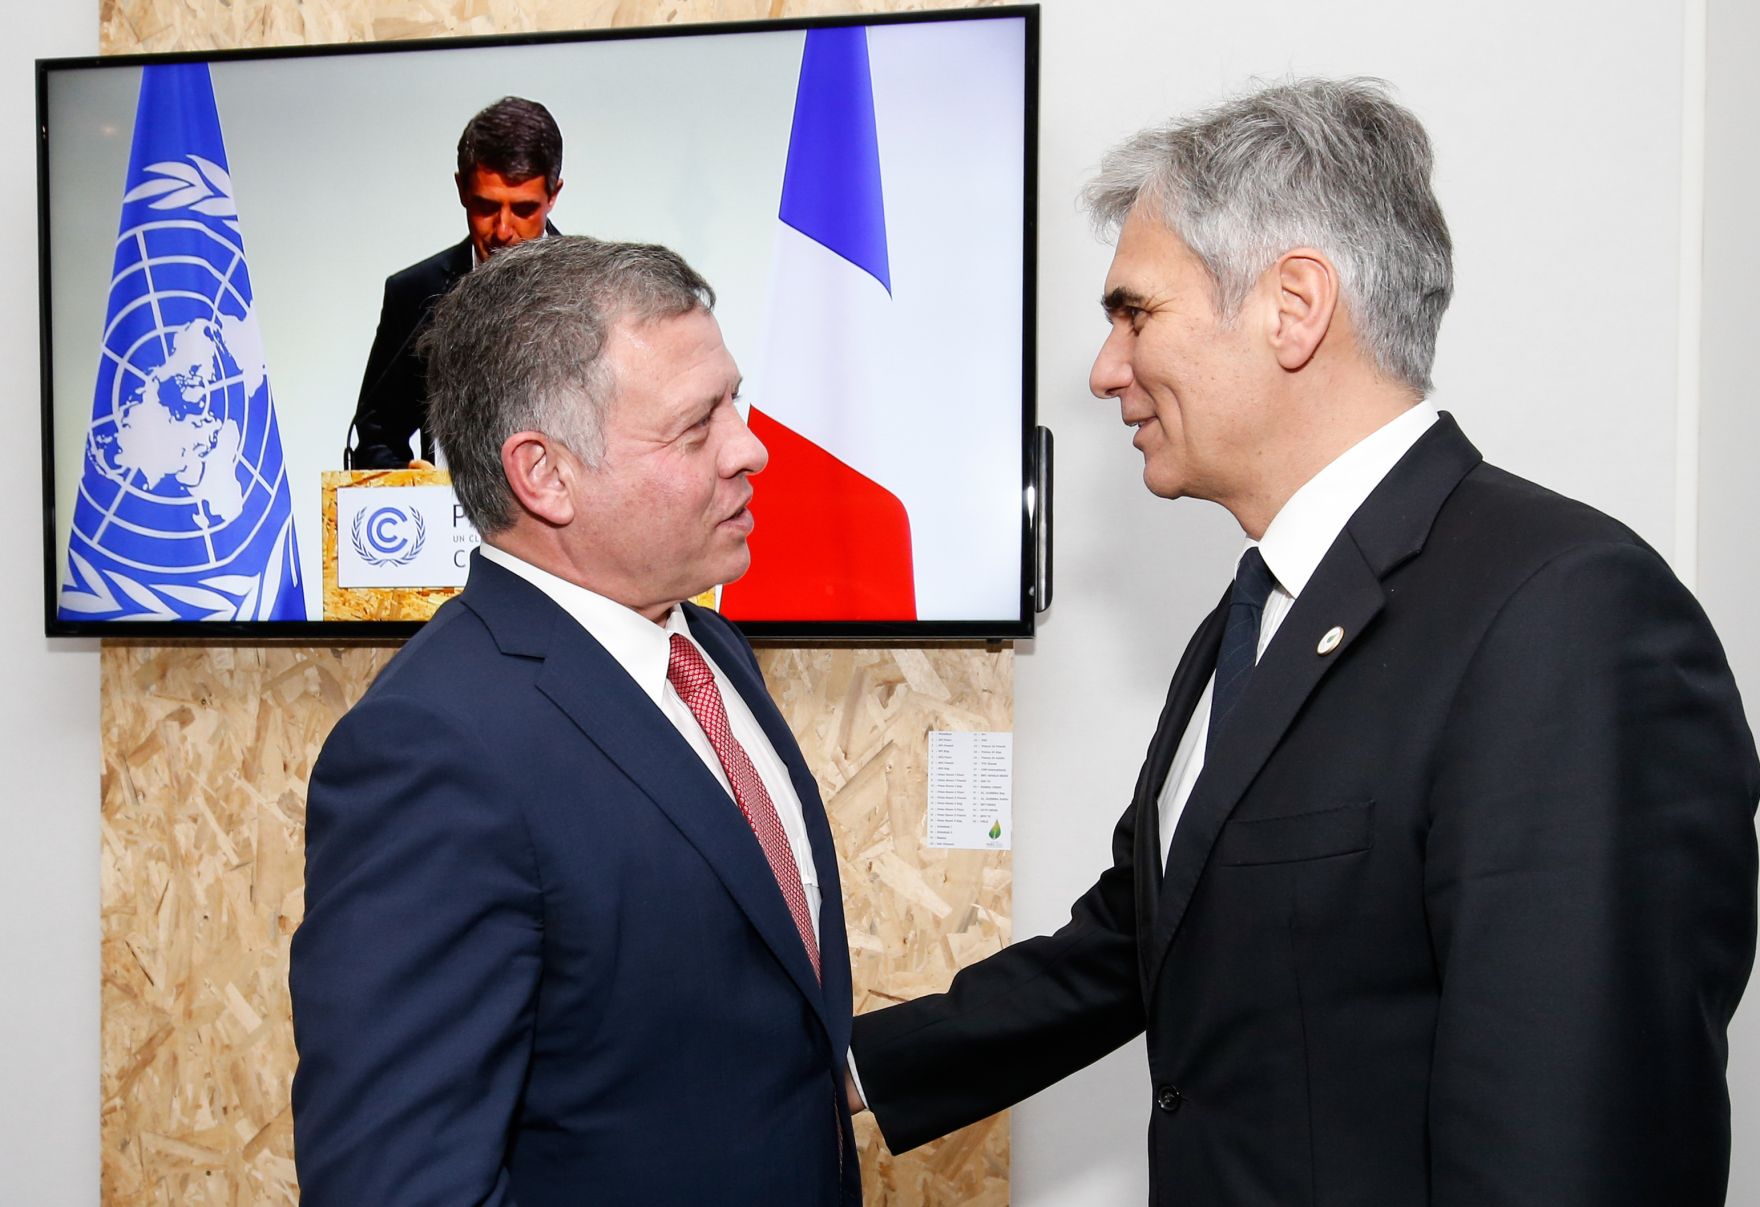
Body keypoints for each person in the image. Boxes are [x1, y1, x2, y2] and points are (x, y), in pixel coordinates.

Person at [847, 78, 1760, 1204]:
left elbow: (1579, 1130)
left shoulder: (1564, 615)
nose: (1102, 369)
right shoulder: (1249, 618)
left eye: (1134, 312)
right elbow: (1138, 936)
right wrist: (842, 1067)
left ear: (1292, 304)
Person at [293, 236, 860, 1205]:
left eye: (734, 398)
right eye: (694, 427)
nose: (750, 446)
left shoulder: (708, 650)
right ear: (543, 474)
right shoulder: (432, 749)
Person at [345, 96, 564, 468]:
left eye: (524, 209)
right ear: (462, 190)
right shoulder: (414, 294)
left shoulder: (598, 291)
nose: (503, 230)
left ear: (553, 195)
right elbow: (376, 437)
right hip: (448, 521)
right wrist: (411, 488)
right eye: (486, 206)